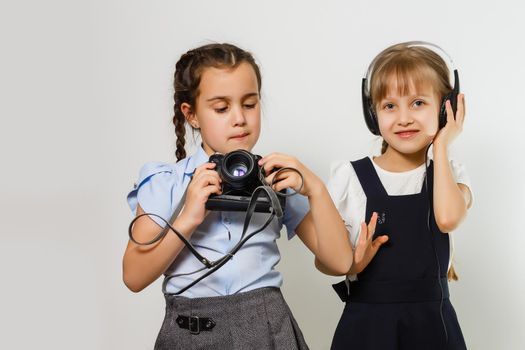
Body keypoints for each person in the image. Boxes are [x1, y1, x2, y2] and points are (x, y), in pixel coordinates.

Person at [123, 43, 352, 350]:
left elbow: (339, 261)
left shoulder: (274, 178)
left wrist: (315, 188)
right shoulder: (166, 182)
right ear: (191, 115)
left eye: (249, 104)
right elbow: (134, 277)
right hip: (189, 333)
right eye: (221, 108)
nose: (239, 119)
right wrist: (190, 216)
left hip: (267, 330)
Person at [327, 42, 473, 349]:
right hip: (366, 329)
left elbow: (446, 218)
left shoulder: (450, 174)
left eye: (418, 103)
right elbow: (323, 261)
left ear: (446, 108)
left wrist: (442, 146)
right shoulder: (349, 178)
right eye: (390, 106)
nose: (404, 118)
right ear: (373, 114)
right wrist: (352, 265)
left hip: (434, 328)